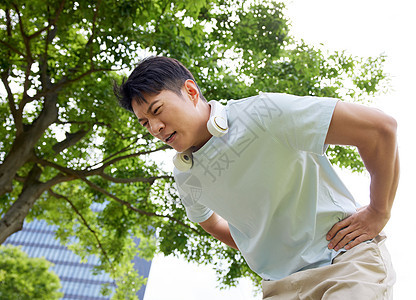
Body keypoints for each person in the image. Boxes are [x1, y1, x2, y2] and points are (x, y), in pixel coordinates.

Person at [115, 56, 399, 299]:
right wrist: (258, 241)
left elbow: (379, 129)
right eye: (145, 123)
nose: (155, 127)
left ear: (190, 91)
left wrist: (378, 211)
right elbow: (210, 222)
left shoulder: (263, 114)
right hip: (280, 287)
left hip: (344, 263)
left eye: (157, 110)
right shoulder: (185, 178)